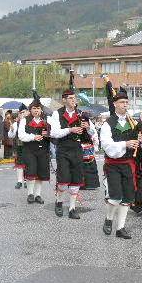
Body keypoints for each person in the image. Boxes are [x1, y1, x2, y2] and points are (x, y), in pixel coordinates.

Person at [100, 86, 142, 239]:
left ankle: (120, 228)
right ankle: (109, 218)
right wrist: (125, 144)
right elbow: (107, 145)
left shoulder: (133, 123)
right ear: (115, 104)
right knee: (115, 197)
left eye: (127, 102)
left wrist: (141, 140)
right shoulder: (108, 124)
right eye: (122, 102)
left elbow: (140, 143)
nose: (125, 105)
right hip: (113, 164)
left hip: (128, 164)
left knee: (127, 197)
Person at [50, 89, 92, 219]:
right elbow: (54, 133)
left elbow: (92, 135)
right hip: (63, 149)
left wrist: (88, 128)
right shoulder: (57, 114)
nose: (74, 100)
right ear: (64, 100)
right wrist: (70, 129)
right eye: (71, 98)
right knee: (63, 180)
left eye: (75, 98)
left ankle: (72, 208)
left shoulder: (81, 114)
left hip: (77, 149)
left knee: (76, 179)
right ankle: (59, 201)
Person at [18, 98, 50, 204]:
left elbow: (53, 134)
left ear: (41, 110)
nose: (36, 110)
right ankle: (30, 194)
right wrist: (33, 137)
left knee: (41, 173)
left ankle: (38, 195)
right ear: (30, 109)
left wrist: (48, 134)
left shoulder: (46, 120)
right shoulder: (25, 120)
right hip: (29, 150)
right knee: (31, 172)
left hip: (43, 150)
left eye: (38, 108)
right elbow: (21, 136)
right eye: (34, 108)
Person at [79, 112, 100, 191]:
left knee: (90, 165)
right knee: (79, 166)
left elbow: (93, 134)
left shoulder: (89, 123)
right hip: (79, 146)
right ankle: (80, 183)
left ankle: (91, 184)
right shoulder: (75, 121)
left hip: (88, 146)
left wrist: (88, 127)